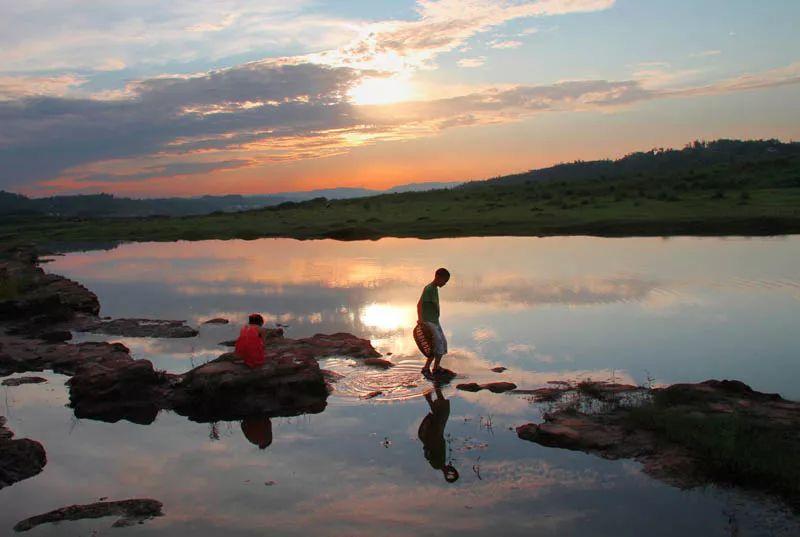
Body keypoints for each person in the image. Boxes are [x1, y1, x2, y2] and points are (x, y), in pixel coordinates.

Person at [417, 385, 459, 483]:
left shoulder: (438, 464)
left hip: (432, 435)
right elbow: (428, 453)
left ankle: (435, 388)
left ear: (447, 474)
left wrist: (430, 435)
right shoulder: (440, 463)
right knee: (441, 412)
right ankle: (434, 390)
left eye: (451, 472)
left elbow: (428, 452)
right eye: (453, 471)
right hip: (434, 434)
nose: (451, 469)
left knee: (441, 412)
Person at [418, 267, 450, 377]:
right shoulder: (429, 289)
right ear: (438, 277)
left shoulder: (435, 289)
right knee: (437, 346)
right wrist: (421, 321)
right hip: (428, 322)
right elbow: (419, 304)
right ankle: (433, 368)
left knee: (442, 344)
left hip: (435, 321)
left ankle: (431, 367)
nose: (445, 284)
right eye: (444, 281)